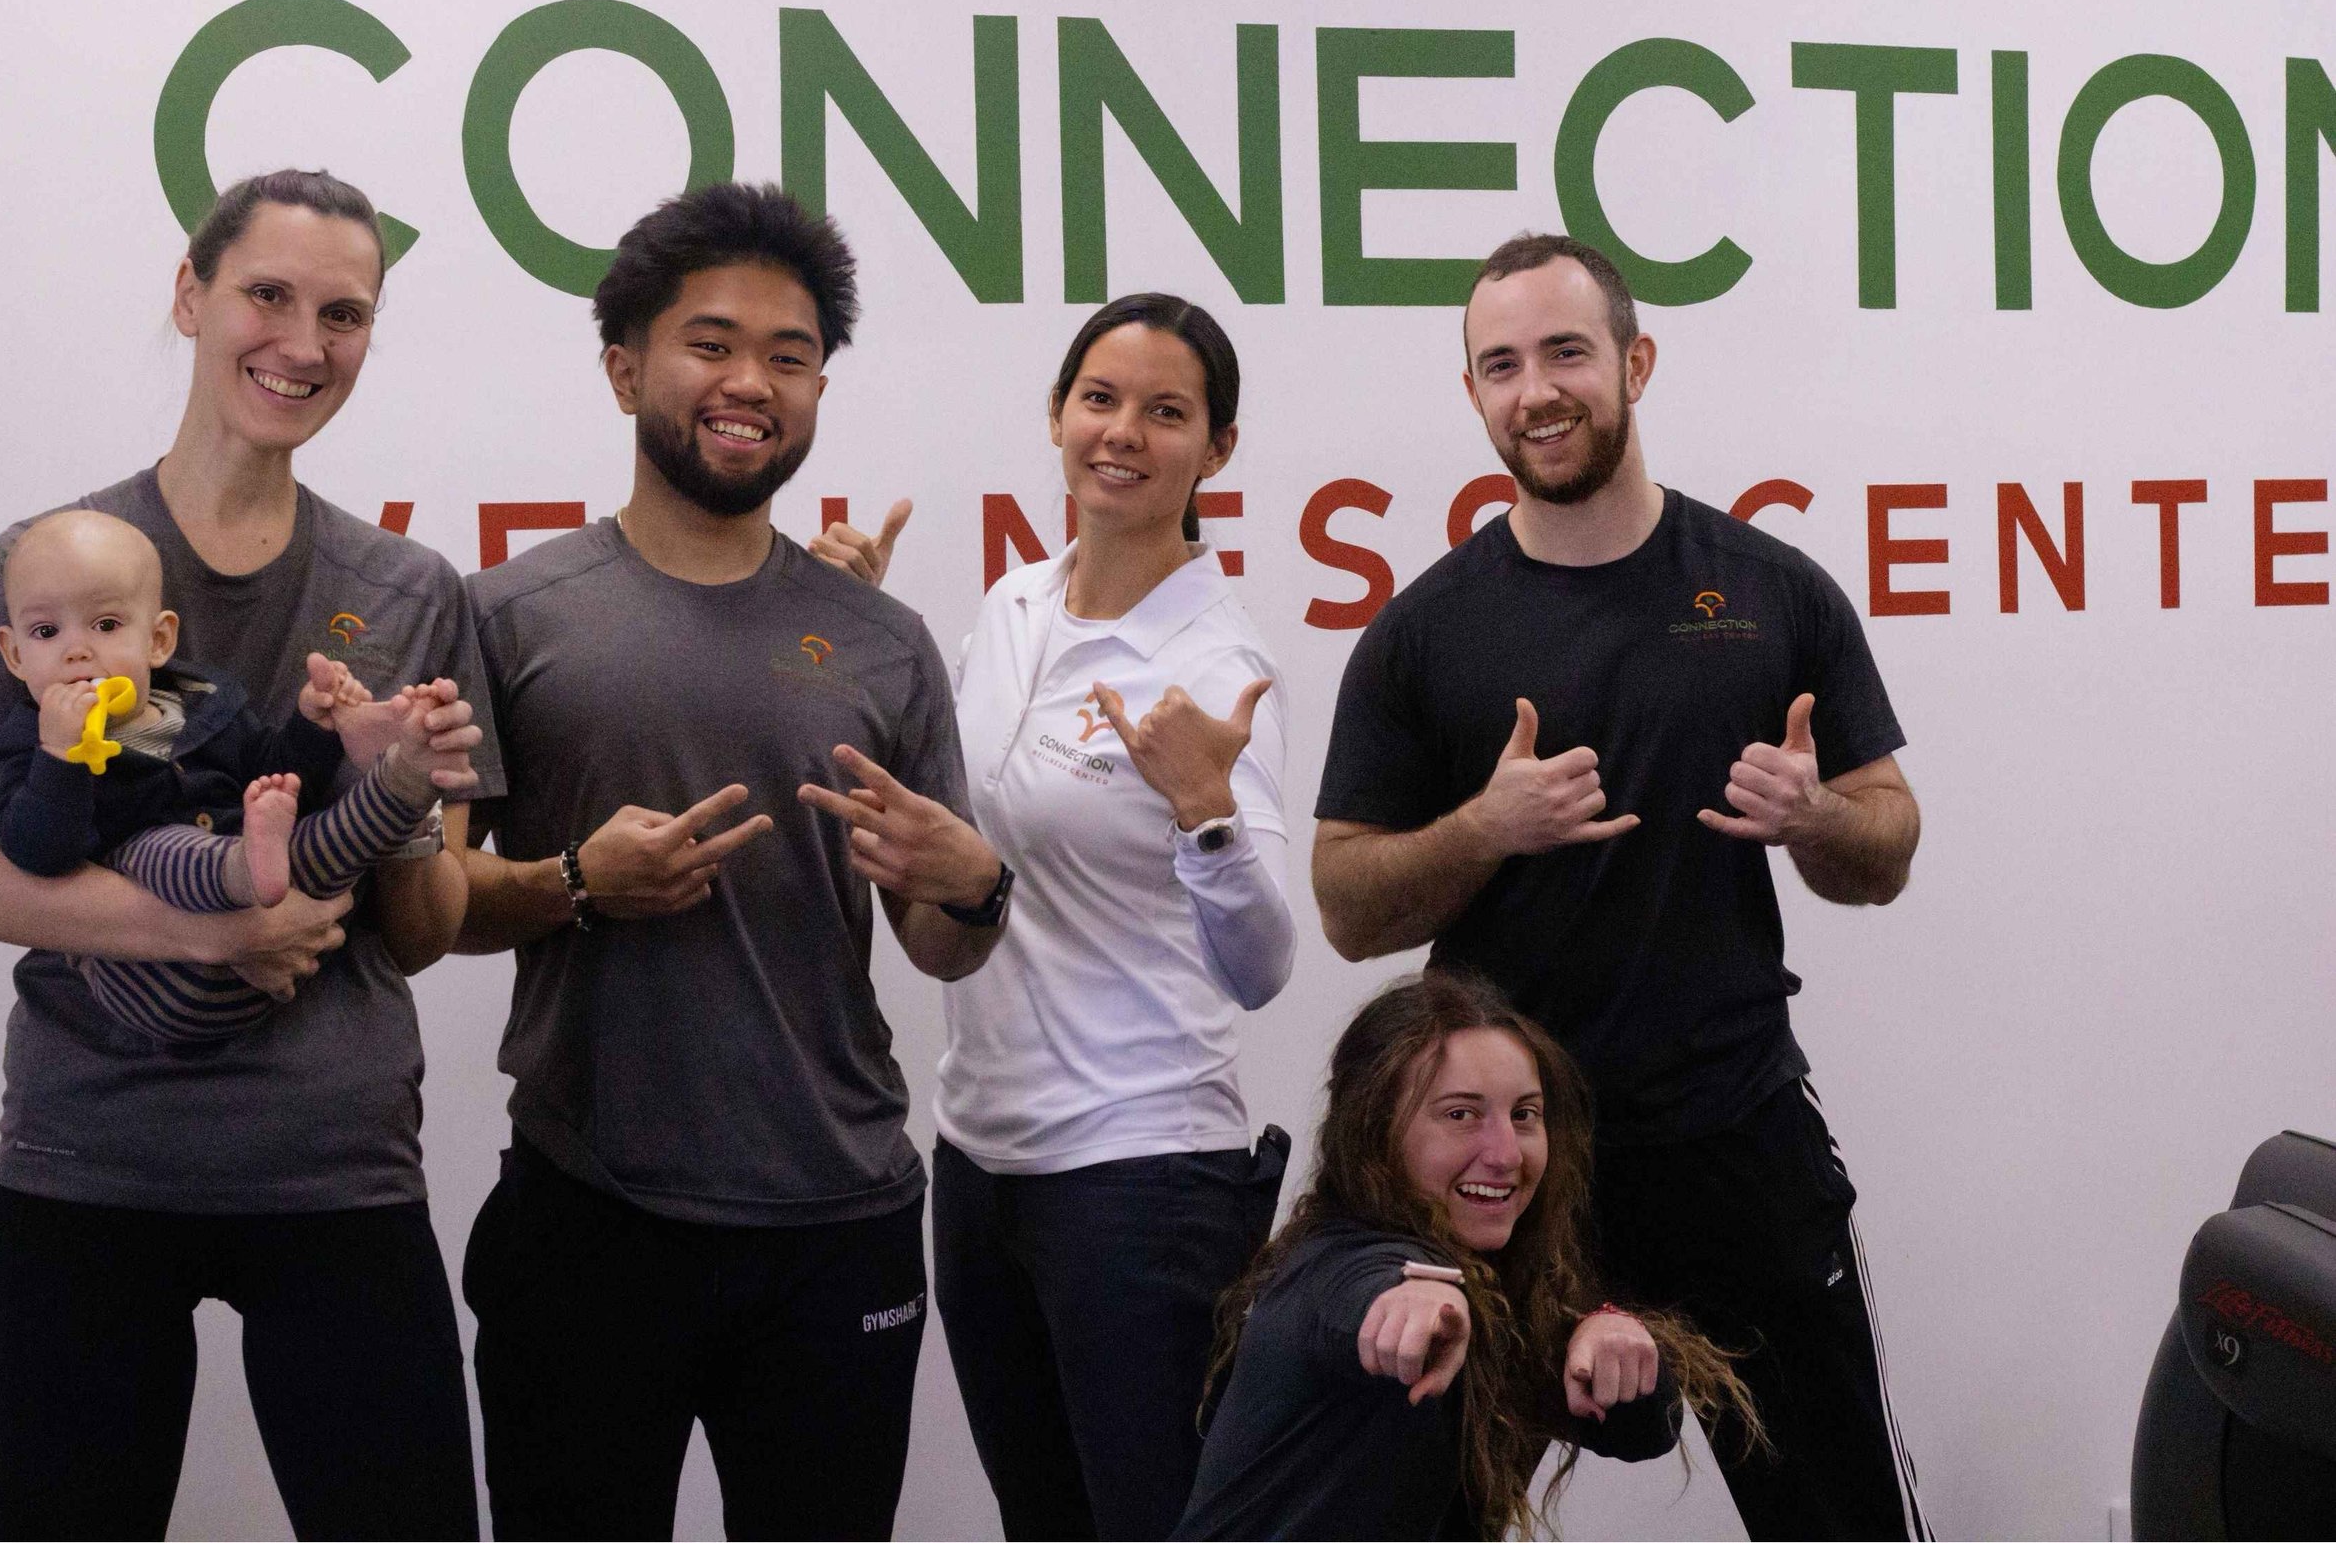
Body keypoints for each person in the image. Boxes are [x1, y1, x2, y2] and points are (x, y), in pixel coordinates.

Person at [1310, 231, 1927, 1540]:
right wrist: (1484, 825)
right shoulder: (1424, 634)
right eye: (1501, 363)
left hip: (1733, 1141)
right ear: (1474, 392)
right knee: (1422, 1517)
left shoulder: (1769, 593)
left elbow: (1888, 841)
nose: (1536, 388)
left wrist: (1817, 815)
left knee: (1838, 1515)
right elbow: (1349, 900)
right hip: (1504, 1164)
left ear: (1635, 360)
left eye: (1567, 351)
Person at [0, 168, 494, 1539]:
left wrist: (400, 782)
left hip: (335, 1166)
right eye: (267, 295)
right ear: (191, 294)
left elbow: (417, 927)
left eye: (343, 312)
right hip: (87, 1163)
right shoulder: (50, 562)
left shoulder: (409, 592)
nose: (303, 342)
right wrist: (205, 929)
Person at [452, 182, 1008, 1541]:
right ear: (625, 364)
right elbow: (430, 906)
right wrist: (577, 882)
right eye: (711, 343)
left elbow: (939, 942)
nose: (750, 381)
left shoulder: (881, 640)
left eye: (792, 353)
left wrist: (972, 880)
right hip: (590, 1212)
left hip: (837, 1220)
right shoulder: (509, 613)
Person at [812, 293, 1297, 1539]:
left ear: (1217, 449)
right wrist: (850, 631)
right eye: (1100, 398)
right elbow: (956, 840)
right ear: (1057, 416)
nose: (1123, 432)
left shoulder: (1217, 664)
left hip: (1140, 1176)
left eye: (1166, 411)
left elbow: (1260, 965)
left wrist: (1206, 813)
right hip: (979, 1164)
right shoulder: (1014, 607)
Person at [1175, 969, 1756, 1540]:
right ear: (1375, 1131)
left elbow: (1643, 1431)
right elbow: (1360, 1292)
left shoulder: (1505, 1290)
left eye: (1524, 1115)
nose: (1505, 1154)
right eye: (1461, 1115)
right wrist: (1417, 1297)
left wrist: (1611, 1339)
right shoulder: (1331, 1260)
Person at [0, 508, 469, 1042]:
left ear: (159, 640)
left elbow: (276, 776)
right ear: (14, 654)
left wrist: (315, 726)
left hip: (277, 952)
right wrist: (59, 755)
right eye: (46, 632)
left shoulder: (205, 704)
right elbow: (38, 855)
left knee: (318, 836)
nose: (77, 650)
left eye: (106, 625)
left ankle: (402, 778)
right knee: (159, 848)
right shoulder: (26, 743)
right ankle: (243, 864)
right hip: (156, 984)